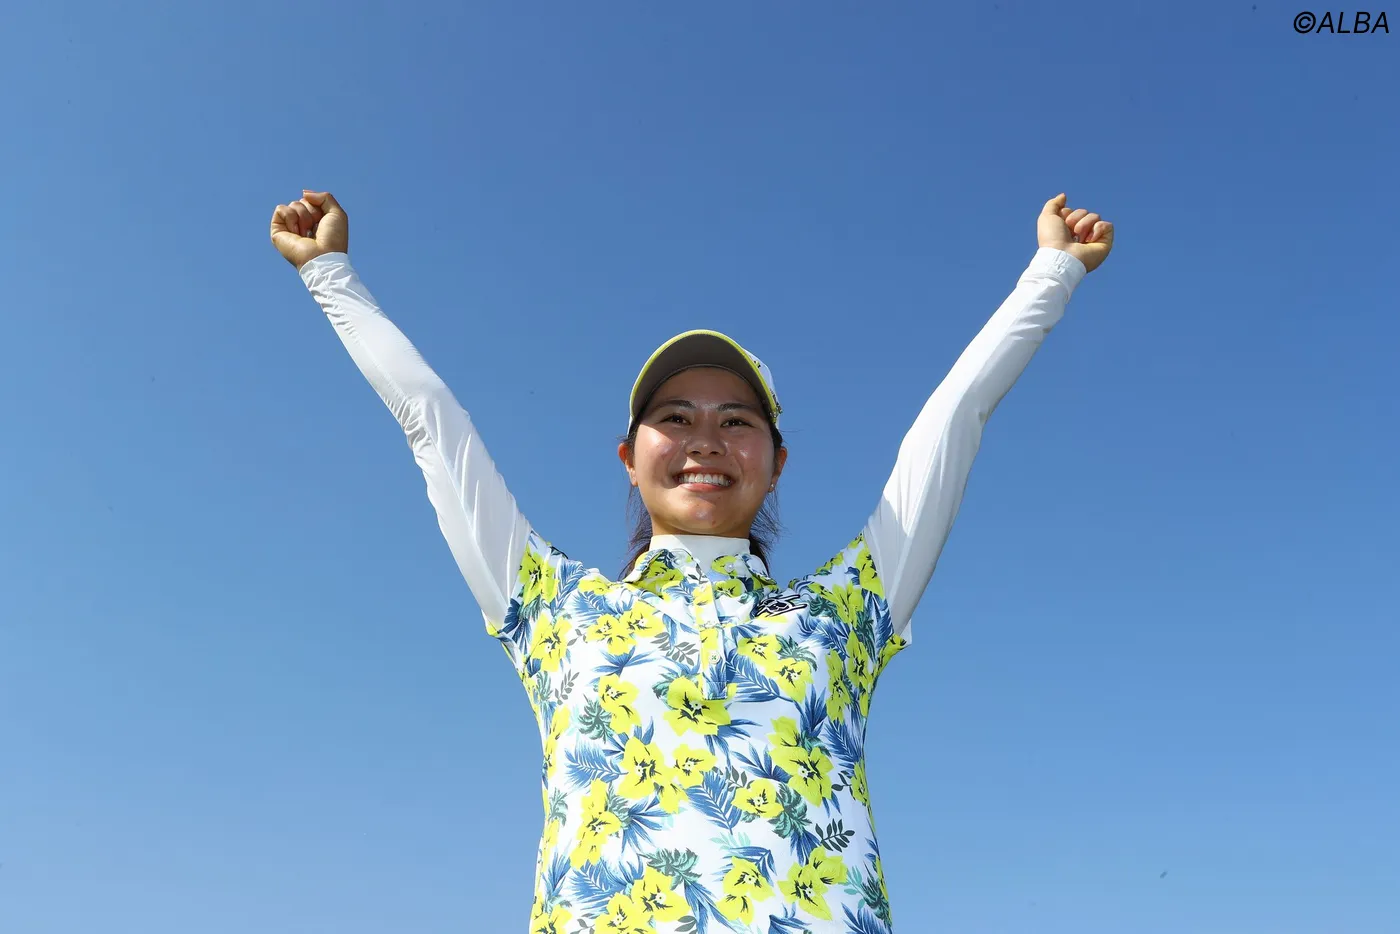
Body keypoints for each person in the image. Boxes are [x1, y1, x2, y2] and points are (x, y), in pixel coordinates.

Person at [269, 190, 1114, 934]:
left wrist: (1052, 273)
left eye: (737, 422)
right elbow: (430, 422)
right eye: (675, 418)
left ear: (776, 463)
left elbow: (954, 420)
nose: (705, 440)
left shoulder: (846, 609)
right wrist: (329, 274)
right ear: (629, 457)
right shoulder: (552, 605)